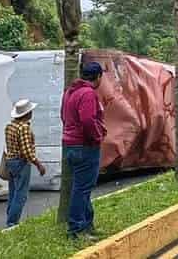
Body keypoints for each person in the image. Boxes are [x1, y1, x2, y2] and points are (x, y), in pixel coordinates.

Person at [61, 62, 107, 240]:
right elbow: (88, 120)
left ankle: (87, 225)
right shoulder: (88, 93)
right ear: (98, 77)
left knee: (81, 187)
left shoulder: (69, 92)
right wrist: (97, 137)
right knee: (81, 189)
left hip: (70, 145)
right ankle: (76, 229)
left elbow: (63, 116)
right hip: (85, 146)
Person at [3, 99, 46, 228]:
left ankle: (10, 216)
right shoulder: (24, 128)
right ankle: (12, 222)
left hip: (10, 161)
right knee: (21, 194)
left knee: (13, 191)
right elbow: (27, 151)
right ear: (26, 114)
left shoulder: (9, 126)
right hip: (21, 162)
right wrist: (39, 165)